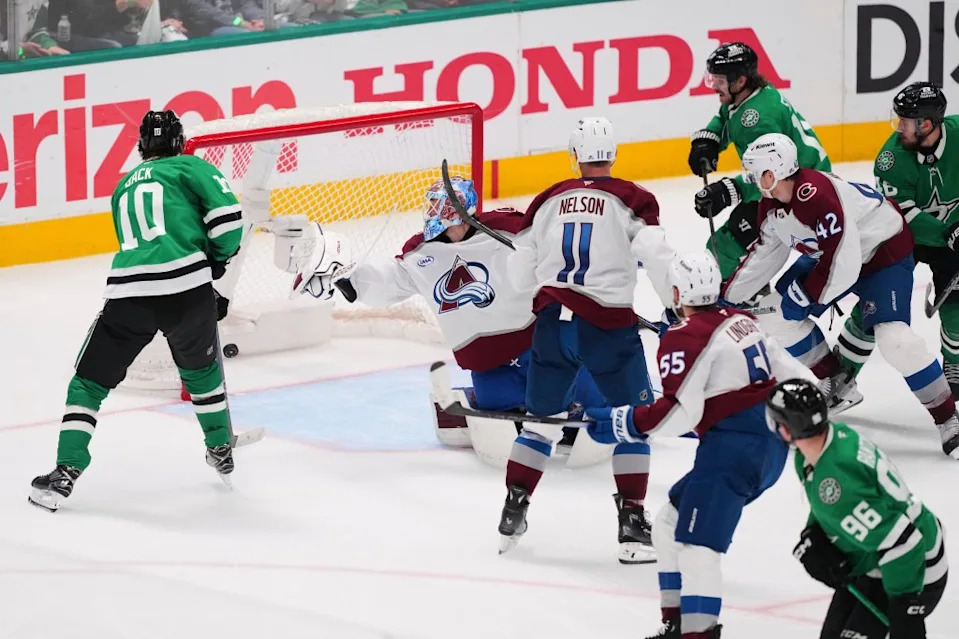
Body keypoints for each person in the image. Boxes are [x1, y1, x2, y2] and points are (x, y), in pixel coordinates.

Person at [292, 177, 648, 561]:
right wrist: (346, 285)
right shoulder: (420, 255)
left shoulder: (512, 229)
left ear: (468, 211)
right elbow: (388, 281)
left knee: (593, 395)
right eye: (438, 218)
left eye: (451, 217)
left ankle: (587, 405)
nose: (445, 226)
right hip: (490, 365)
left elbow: (565, 253)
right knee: (503, 400)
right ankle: (539, 415)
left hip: (539, 346)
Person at [584, 251, 811, 639]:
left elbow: (679, 414)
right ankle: (675, 624)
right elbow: (798, 376)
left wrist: (625, 423)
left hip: (732, 453)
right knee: (669, 524)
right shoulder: (742, 321)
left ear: (676, 292)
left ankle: (698, 634)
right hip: (770, 445)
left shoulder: (684, 337)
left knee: (698, 548)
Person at [29, 110, 244, 512]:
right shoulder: (192, 166)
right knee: (202, 375)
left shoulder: (123, 185)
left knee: (87, 385)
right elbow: (230, 221)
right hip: (187, 292)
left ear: (142, 146)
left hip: (131, 295)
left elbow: (143, 246)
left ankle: (64, 473)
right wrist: (214, 263)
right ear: (179, 141)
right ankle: (220, 448)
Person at [723, 133, 959, 458]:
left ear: (773, 171)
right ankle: (838, 382)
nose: (750, 178)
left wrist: (807, 295)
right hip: (834, 258)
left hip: (882, 254)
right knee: (772, 311)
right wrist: (725, 300)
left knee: (896, 340)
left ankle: (948, 419)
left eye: (754, 171)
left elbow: (844, 261)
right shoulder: (772, 206)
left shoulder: (816, 195)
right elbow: (763, 258)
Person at [505, 116, 677, 560]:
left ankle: (513, 509)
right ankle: (633, 526)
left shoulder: (547, 200)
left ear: (575, 155)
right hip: (606, 328)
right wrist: (675, 307)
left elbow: (520, 275)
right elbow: (656, 256)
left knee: (541, 424)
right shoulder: (631, 199)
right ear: (613, 154)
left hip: (551, 328)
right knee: (633, 422)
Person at [767, 378, 949, 639]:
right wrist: (813, 533)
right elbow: (826, 502)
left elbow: (904, 542)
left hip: (916, 568)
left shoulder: (839, 482)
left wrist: (905, 608)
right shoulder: (825, 445)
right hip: (883, 557)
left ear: (785, 430)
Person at [689, 42, 831, 282]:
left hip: (799, 192)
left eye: (720, 81)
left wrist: (729, 190)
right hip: (796, 181)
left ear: (740, 81)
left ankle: (717, 298)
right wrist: (710, 139)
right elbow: (727, 114)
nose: (715, 87)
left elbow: (770, 173)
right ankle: (749, 287)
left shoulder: (757, 120)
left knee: (728, 244)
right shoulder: (753, 96)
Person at [872, 82, 959, 400]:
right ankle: (842, 372)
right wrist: (948, 232)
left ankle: (954, 364)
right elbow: (901, 214)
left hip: (951, 241)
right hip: (900, 239)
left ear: (926, 124)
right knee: (876, 305)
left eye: (905, 121)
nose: (898, 128)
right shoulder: (890, 160)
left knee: (957, 307)